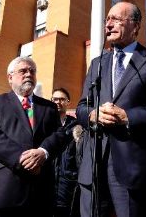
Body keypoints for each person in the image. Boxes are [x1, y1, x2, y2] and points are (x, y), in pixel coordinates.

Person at [76, 1, 146, 217]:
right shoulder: (98, 63)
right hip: (94, 162)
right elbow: (81, 108)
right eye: (107, 20)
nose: (109, 24)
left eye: (116, 19)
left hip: (133, 166)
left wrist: (127, 116)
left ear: (135, 26)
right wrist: (93, 115)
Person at [0, 56, 68, 216]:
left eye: (32, 71)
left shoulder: (49, 107)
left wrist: (43, 152)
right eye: (23, 71)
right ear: (10, 77)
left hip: (41, 193)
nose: (29, 74)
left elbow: (60, 134)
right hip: (5, 192)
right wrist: (22, 158)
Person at [52, 87, 81, 217]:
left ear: (68, 102)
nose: (58, 102)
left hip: (67, 185)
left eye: (62, 99)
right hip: (46, 183)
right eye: (55, 99)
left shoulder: (77, 126)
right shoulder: (44, 124)